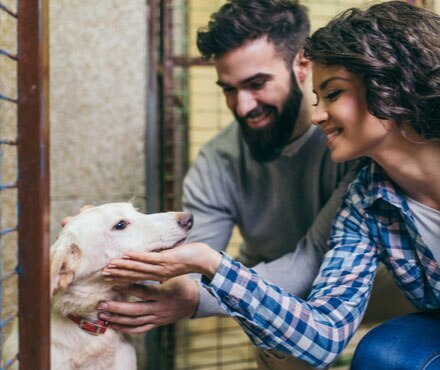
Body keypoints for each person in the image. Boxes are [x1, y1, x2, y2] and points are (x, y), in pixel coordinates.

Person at [100, 1, 440, 369]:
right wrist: (102, 238)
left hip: (390, 288)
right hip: (318, 289)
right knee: (332, 353)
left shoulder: (360, 147)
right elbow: (320, 331)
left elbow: (307, 260)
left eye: (257, 84)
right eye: (229, 89)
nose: (243, 105)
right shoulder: (366, 197)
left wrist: (203, 290)